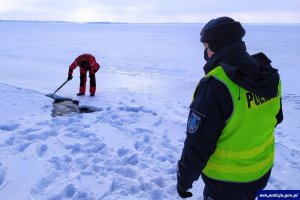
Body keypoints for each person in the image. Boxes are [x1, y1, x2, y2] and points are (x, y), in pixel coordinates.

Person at [177, 17, 283, 200]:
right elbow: (275, 118)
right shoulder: (268, 75)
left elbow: (198, 144)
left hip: (225, 183)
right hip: (261, 171)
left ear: (216, 47)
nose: (206, 53)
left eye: (206, 48)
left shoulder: (216, 85)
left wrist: (184, 180)